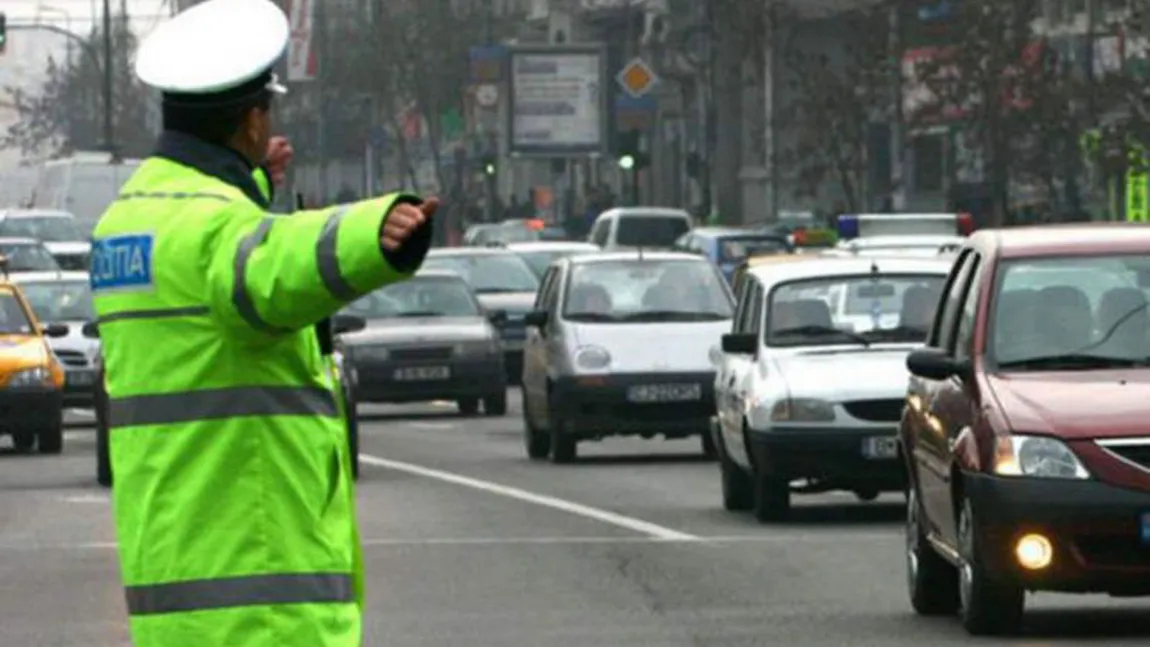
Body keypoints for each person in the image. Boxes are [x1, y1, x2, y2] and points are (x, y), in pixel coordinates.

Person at [87, 1, 435, 646]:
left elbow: (215, 273)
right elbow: (271, 266)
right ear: (252, 120)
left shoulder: (128, 221)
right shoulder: (219, 228)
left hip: (178, 578)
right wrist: (378, 230)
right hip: (257, 594)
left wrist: (249, 185)